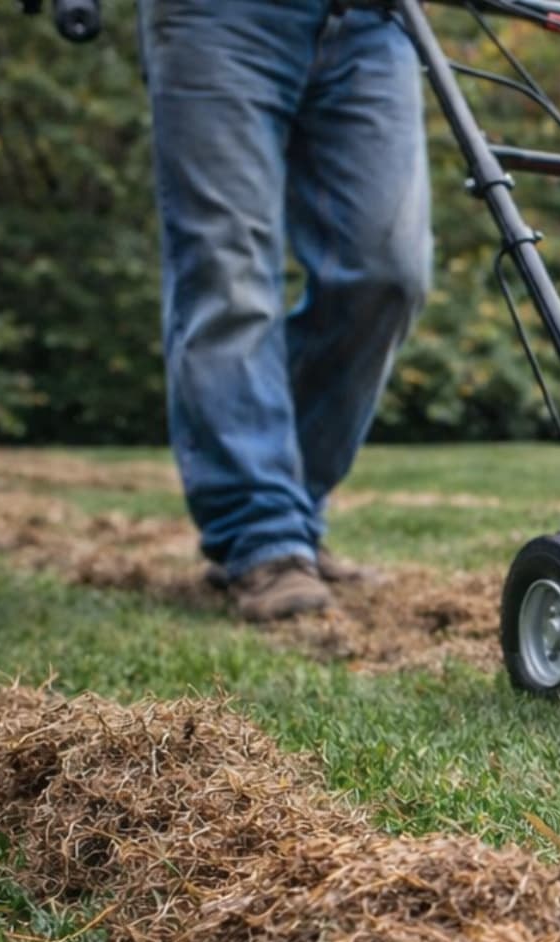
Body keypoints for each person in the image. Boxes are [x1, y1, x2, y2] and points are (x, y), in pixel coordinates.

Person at [139, 0, 431, 620]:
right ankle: (262, 530)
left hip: (374, 24)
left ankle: (288, 506)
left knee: (389, 273)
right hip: (219, 19)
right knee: (229, 270)